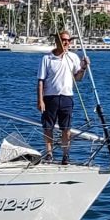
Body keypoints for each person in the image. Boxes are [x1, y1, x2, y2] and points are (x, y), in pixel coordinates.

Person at [37, 30, 90, 165]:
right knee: (48, 127)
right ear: (57, 41)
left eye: (68, 40)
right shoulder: (47, 58)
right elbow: (41, 81)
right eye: (63, 40)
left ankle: (65, 155)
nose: (66, 42)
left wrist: (83, 68)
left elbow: (77, 78)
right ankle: (49, 154)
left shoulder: (73, 57)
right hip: (50, 97)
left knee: (66, 128)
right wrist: (40, 100)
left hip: (67, 97)